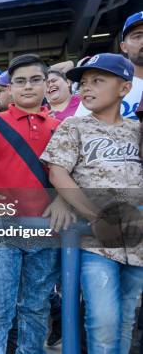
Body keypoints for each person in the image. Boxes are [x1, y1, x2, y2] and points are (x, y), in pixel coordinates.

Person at [42, 53, 142, 353]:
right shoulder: (74, 125)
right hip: (95, 238)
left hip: (136, 240)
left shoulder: (136, 130)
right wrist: (95, 216)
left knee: (125, 320)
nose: (86, 88)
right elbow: (58, 171)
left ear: (124, 88)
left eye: (98, 81)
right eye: (83, 83)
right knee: (103, 321)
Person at [0, 54, 64, 353]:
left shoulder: (59, 127)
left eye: (35, 80)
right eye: (20, 81)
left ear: (46, 85)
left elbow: (66, 174)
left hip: (45, 230)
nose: (28, 87)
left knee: (35, 308)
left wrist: (63, 201)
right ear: (10, 87)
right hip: (2, 230)